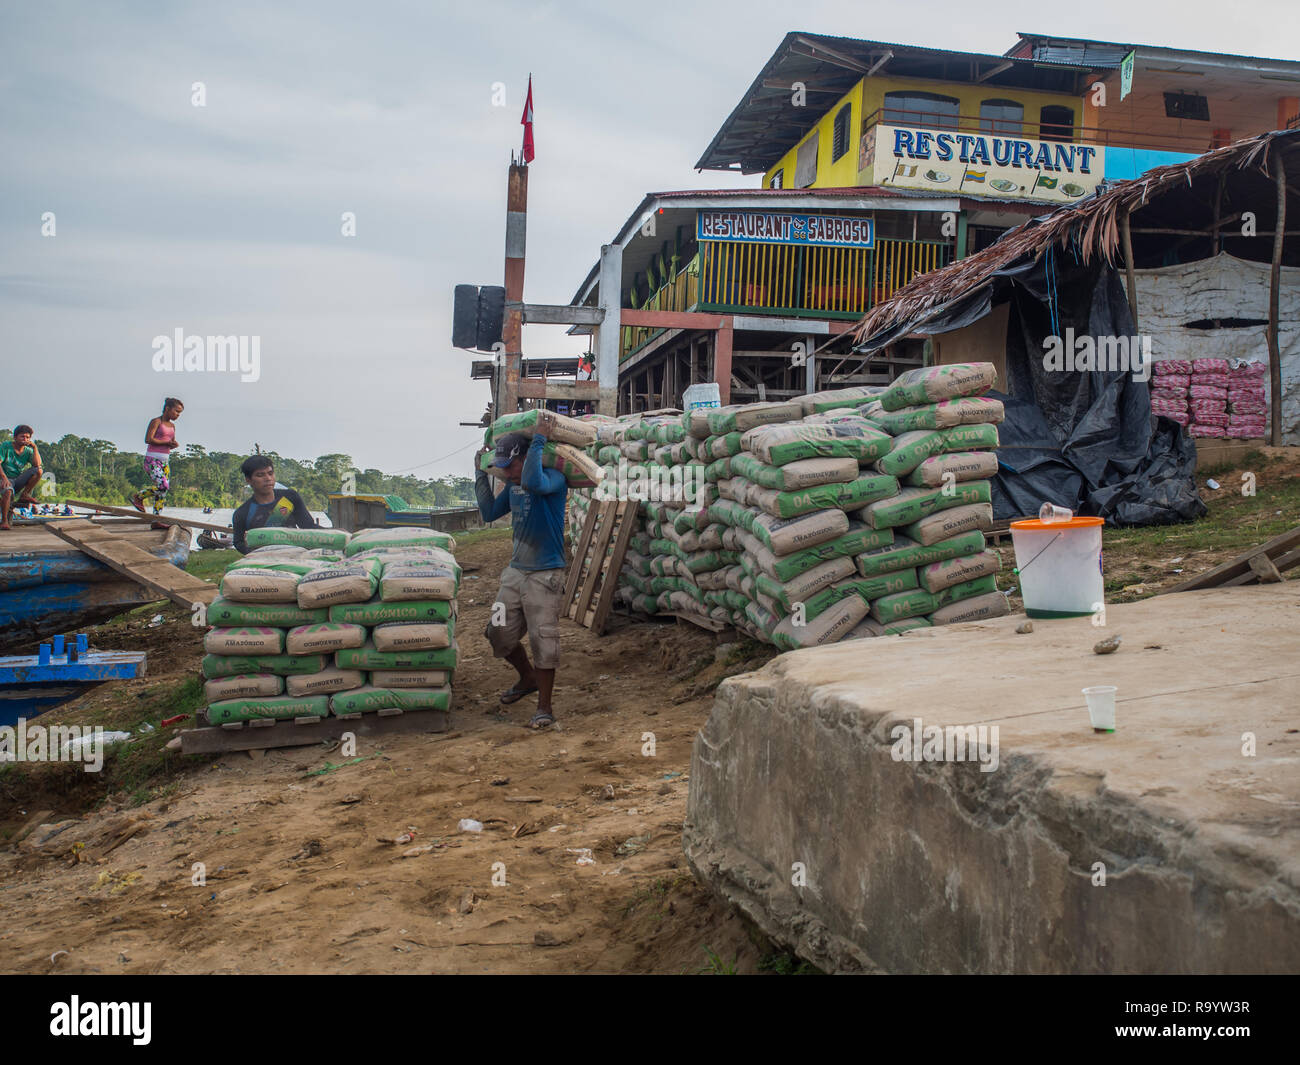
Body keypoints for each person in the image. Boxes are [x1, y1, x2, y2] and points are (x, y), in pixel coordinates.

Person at [474, 430, 567, 730]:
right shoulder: (513, 487)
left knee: (544, 640)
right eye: (500, 466)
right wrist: (478, 474)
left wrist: (539, 441)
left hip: (546, 574)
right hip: (515, 573)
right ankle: (527, 678)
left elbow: (533, 482)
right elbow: (489, 513)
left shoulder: (552, 478)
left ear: (525, 458)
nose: (505, 472)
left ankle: (545, 708)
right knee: (497, 632)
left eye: (510, 465)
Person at [231, 454, 318, 553]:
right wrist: (254, 553)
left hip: (296, 555)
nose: (268, 478)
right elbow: (238, 542)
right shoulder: (242, 513)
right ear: (248, 480)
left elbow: (308, 526)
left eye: (270, 473)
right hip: (264, 560)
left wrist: (336, 533)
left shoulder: (290, 497)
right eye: (260, 475)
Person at [131, 398, 183, 515]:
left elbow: (169, 442)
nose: (178, 415)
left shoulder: (172, 426)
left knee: (163, 492)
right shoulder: (156, 422)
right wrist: (166, 443)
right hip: (152, 460)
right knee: (163, 486)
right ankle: (139, 496)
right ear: (167, 408)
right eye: (176, 411)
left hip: (165, 461)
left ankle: (157, 518)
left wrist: (173, 445)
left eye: (180, 413)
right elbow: (148, 439)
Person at [0, 425, 45, 531]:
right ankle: (4, 521)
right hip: (4, 478)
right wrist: (4, 478)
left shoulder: (28, 451)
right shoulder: (6, 446)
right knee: (8, 491)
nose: (25, 439)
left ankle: (25, 494)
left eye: (28, 437)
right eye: (22, 437)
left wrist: (35, 448)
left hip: (17, 479)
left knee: (39, 470)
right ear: (15, 437)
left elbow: (37, 464)